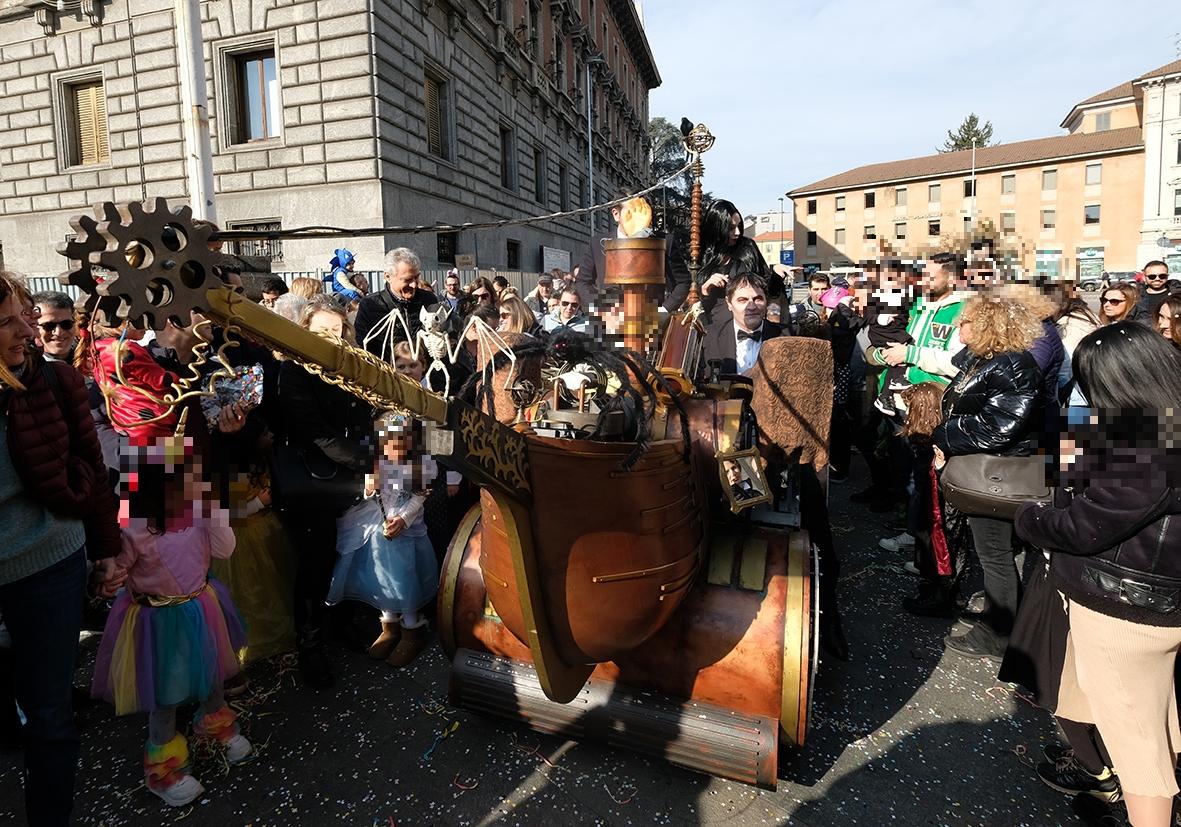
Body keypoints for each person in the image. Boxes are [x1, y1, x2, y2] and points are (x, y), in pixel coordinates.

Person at [1015, 322, 1181, 827]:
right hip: (1160, 604)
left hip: (1128, 612)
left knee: (1136, 743)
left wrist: (1030, 518)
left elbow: (1083, 524)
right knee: (1160, 720)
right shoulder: (1160, 428)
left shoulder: (1146, 451)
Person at [0, 273, 121, 826]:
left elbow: (92, 470)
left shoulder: (55, 381)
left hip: (50, 563)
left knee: (48, 714)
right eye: (9, 323)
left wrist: (106, 551)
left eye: (27, 316)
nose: (28, 331)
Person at [90, 436, 251, 807]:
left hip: (201, 607)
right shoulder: (132, 527)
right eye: (186, 478)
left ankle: (213, 724)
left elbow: (226, 549)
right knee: (166, 694)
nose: (196, 484)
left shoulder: (197, 512)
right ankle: (162, 767)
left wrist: (212, 509)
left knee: (210, 672)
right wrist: (107, 575)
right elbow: (119, 571)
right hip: (159, 622)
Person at [932, 293, 1043, 662]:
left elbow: (997, 428)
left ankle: (998, 633)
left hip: (997, 474)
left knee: (994, 554)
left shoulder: (1012, 366)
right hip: (985, 468)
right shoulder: (986, 361)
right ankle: (1003, 621)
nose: (958, 326)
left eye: (965, 321)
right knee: (993, 553)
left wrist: (943, 435)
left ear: (987, 327)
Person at [275, 298, 374, 687]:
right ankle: (310, 645)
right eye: (321, 332)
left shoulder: (349, 367)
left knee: (345, 553)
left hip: (346, 478)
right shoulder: (293, 370)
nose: (330, 338)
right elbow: (314, 432)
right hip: (313, 483)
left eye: (337, 331)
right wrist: (367, 463)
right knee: (314, 563)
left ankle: (341, 622)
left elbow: (362, 416)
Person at [327, 413, 439, 668]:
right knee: (381, 577)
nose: (395, 448)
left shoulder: (419, 464)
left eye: (402, 442)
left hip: (404, 533)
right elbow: (368, 494)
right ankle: (388, 624)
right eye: (388, 442)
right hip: (378, 531)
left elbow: (419, 496)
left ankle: (411, 627)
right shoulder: (378, 462)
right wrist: (369, 486)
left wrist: (403, 519)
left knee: (403, 579)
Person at [354, 248, 438, 362]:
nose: (414, 285)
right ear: (388, 277)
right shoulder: (370, 306)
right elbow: (361, 347)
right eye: (407, 280)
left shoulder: (429, 300)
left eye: (416, 277)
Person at [700, 273, 784, 376]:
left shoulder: (786, 336)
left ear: (766, 301)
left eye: (758, 299)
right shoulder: (708, 337)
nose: (751, 307)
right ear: (729, 304)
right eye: (742, 300)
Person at [31, 291, 78, 362]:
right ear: (33, 326)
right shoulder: (27, 367)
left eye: (66, 324)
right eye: (48, 326)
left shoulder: (92, 359)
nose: (58, 332)